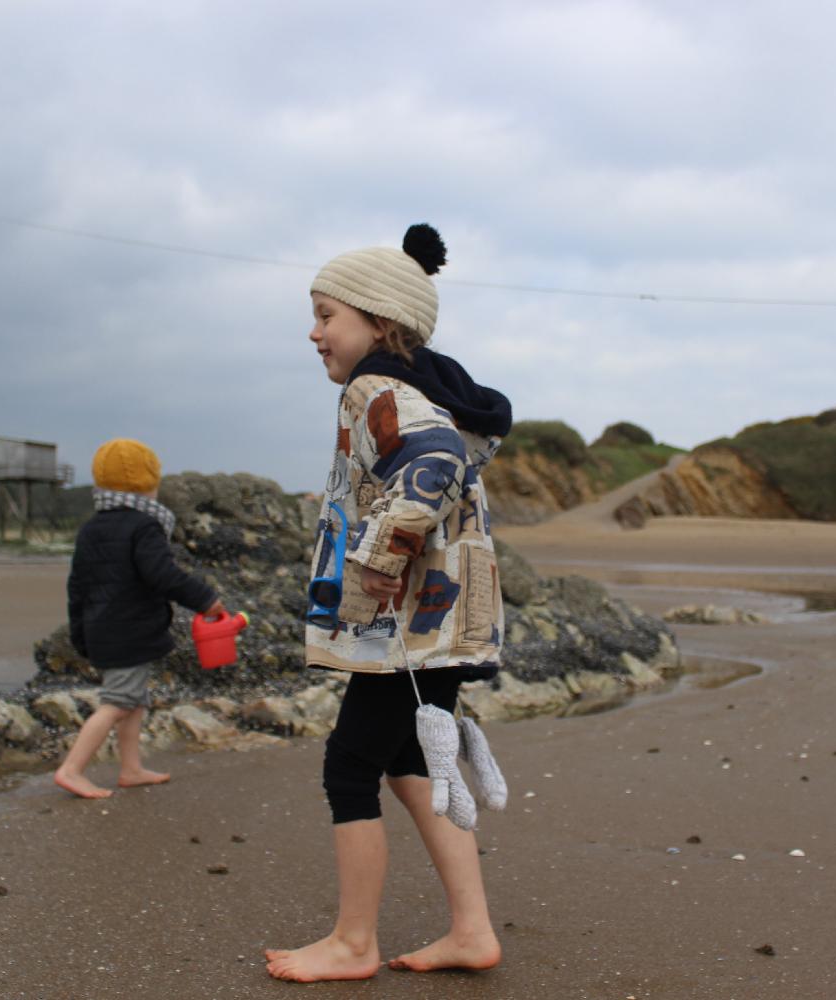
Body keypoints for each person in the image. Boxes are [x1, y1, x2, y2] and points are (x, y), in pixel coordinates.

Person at [265, 224, 512, 982]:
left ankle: (353, 943)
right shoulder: (426, 389)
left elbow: (431, 462)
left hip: (413, 620)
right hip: (443, 619)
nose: (313, 333)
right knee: (408, 759)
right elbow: (443, 455)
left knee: (351, 766)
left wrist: (377, 555)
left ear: (379, 322)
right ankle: (471, 931)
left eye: (325, 314)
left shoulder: (376, 388)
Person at [53, 437, 225, 799]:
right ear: (149, 482)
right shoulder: (143, 526)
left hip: (103, 629)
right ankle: (72, 769)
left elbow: (77, 587)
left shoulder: (92, 528)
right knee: (117, 702)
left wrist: (80, 634)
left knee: (134, 701)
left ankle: (131, 768)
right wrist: (205, 599)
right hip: (128, 631)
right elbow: (162, 574)